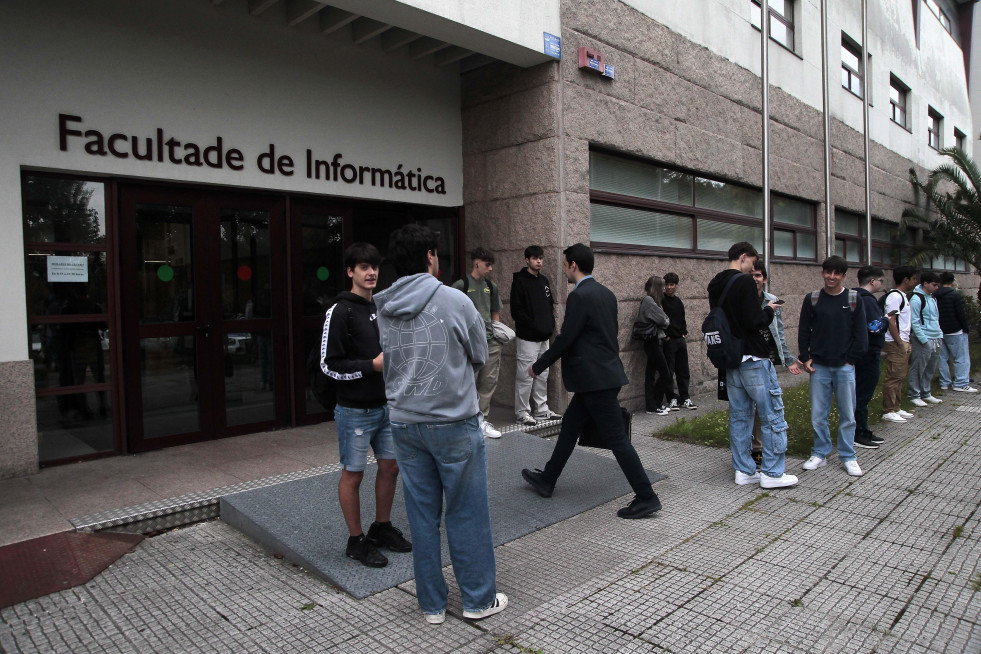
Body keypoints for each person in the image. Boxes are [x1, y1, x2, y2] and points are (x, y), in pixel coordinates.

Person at [374, 224, 507, 625]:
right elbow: (480, 353)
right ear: (431, 256)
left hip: (404, 424)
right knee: (466, 512)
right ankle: (477, 600)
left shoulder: (383, 305)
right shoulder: (456, 300)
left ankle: (431, 605)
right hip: (453, 422)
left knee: (421, 515)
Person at [520, 243, 662, 519]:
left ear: (573, 265)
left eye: (564, 265)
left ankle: (647, 496)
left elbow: (567, 338)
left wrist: (539, 364)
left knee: (617, 440)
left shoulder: (580, 296)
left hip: (595, 380)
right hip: (600, 377)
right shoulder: (606, 294)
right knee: (571, 427)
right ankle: (547, 479)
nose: (564, 270)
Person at [320, 243, 412, 568]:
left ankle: (381, 527)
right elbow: (329, 365)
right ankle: (356, 540)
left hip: (387, 407)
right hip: (354, 411)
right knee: (353, 475)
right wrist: (370, 366)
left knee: (391, 467)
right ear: (350, 272)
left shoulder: (382, 307)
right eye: (363, 267)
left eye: (374, 266)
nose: (371, 272)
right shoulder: (340, 311)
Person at [708, 242, 798, 489]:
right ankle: (772, 473)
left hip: (731, 359)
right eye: (752, 262)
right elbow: (754, 320)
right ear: (744, 257)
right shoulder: (744, 281)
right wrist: (769, 310)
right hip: (754, 358)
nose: (753, 269)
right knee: (771, 416)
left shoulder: (716, 283)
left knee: (740, 417)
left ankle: (744, 471)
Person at [798, 256, 868, 477]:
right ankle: (820, 452)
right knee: (819, 414)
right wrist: (805, 356)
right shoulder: (813, 299)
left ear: (843, 276)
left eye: (837, 273)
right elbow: (803, 330)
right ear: (822, 273)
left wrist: (851, 359)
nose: (832, 276)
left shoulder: (854, 298)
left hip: (844, 366)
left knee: (848, 414)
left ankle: (848, 456)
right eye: (828, 272)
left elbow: (861, 334)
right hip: (819, 366)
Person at [749, 261, 801, 466]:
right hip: (748, 360)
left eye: (758, 275)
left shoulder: (772, 301)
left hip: (767, 360)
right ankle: (749, 449)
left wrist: (788, 359)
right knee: (747, 408)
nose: (755, 279)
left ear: (765, 279)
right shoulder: (744, 300)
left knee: (766, 406)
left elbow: (778, 332)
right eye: (752, 275)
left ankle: (760, 450)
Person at [453, 247, 503, 438]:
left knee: (488, 382)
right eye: (487, 265)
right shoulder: (460, 285)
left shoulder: (492, 286)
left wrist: (497, 334)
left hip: (490, 341)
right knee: (468, 383)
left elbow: (495, 313)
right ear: (476, 263)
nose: (490, 269)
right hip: (468, 344)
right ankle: (466, 421)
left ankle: (482, 420)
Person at [510, 245, 562, 426]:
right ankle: (522, 412)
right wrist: (533, 325)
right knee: (525, 376)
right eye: (534, 258)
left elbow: (549, 305)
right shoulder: (519, 281)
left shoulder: (544, 281)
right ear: (527, 260)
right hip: (527, 338)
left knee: (543, 374)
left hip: (544, 337)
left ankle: (541, 410)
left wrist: (549, 325)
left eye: (540, 258)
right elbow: (516, 311)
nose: (538, 261)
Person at [852, 266, 889, 449]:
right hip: (868, 353)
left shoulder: (853, 297)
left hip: (862, 352)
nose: (881, 285)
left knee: (861, 393)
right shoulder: (867, 300)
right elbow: (874, 327)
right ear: (873, 281)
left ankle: (862, 429)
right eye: (881, 281)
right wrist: (887, 319)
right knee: (862, 394)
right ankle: (858, 432)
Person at [880, 266, 918, 424]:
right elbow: (890, 320)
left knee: (900, 376)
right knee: (893, 376)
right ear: (906, 279)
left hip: (903, 340)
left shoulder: (904, 296)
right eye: (914, 279)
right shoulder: (895, 297)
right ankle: (888, 410)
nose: (915, 282)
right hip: (896, 342)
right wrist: (899, 342)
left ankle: (896, 407)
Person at [935, 272, 978, 393]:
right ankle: (961, 383)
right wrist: (966, 328)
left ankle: (944, 382)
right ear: (952, 281)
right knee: (961, 358)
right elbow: (961, 314)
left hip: (939, 330)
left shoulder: (934, 295)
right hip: (955, 330)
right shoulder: (955, 295)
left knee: (942, 358)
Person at [907, 272, 945, 407]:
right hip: (924, 337)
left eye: (937, 285)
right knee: (918, 366)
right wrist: (922, 339)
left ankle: (925, 392)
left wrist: (939, 334)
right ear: (925, 283)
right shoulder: (917, 299)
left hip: (936, 336)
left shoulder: (932, 298)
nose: (936, 288)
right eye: (934, 285)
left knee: (930, 366)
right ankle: (914, 394)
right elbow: (915, 321)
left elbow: (936, 318)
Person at [661, 272, 697, 410]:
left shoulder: (678, 302)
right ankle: (671, 398)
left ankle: (685, 397)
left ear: (676, 286)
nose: (669, 287)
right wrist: (666, 336)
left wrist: (683, 333)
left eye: (672, 285)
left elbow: (682, 319)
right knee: (669, 371)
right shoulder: (662, 301)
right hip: (669, 341)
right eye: (667, 285)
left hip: (680, 339)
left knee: (683, 370)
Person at [637, 275, 672, 415]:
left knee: (651, 374)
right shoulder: (649, 301)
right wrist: (665, 319)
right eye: (662, 286)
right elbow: (664, 321)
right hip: (653, 342)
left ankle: (652, 405)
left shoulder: (653, 302)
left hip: (654, 341)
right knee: (665, 373)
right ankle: (654, 404)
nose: (664, 289)